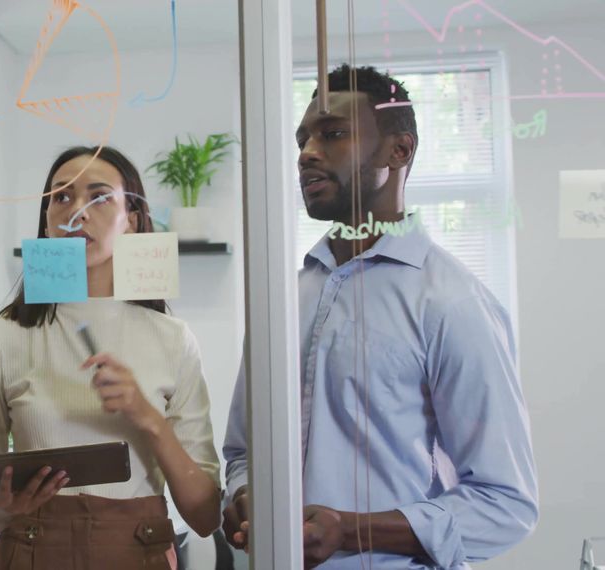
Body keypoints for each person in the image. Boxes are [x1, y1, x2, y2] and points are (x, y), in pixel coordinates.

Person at [222, 64, 539, 569]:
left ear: (400, 151)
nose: (306, 153)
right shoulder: (283, 299)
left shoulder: (453, 303)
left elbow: (506, 504)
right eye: (303, 138)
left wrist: (351, 532)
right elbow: (241, 451)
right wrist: (242, 499)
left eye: (333, 134)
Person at [0, 146, 222, 569]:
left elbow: (206, 516)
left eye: (99, 197)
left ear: (132, 221)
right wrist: (0, 511)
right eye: (61, 197)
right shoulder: (0, 338)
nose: (77, 211)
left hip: (139, 551)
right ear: (46, 222)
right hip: (29, 550)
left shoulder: (174, 339)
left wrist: (147, 417)